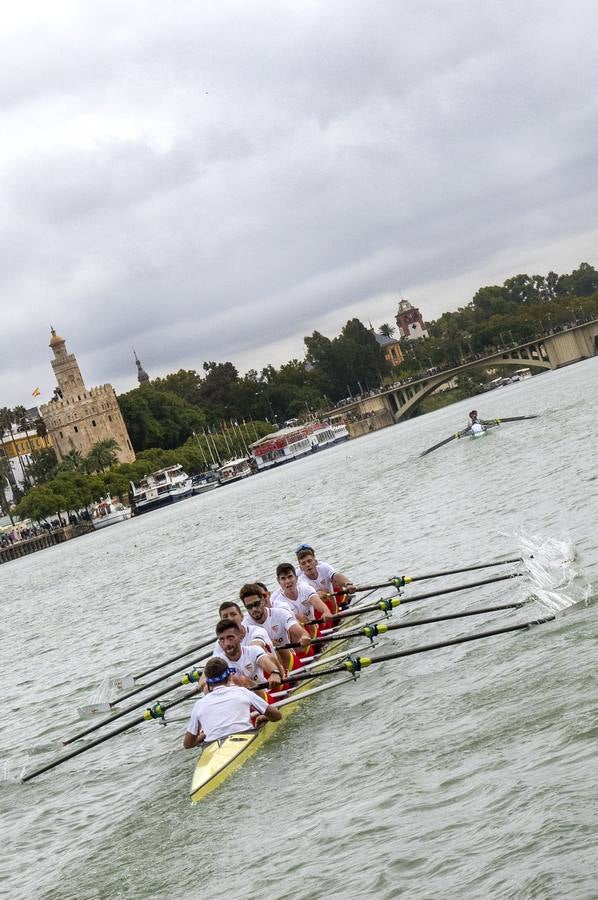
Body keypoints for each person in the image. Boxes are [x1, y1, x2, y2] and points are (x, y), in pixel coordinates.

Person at [182, 657, 282, 748]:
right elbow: (277, 716)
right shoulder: (242, 692)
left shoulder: (199, 704)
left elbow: (187, 744)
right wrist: (263, 718)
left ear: (207, 683)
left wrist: (203, 735)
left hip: (212, 746)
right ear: (230, 677)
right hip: (245, 738)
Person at [239, 582, 311, 670]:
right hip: (268, 667)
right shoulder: (245, 626)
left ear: (262, 600)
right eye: (249, 606)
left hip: (289, 657)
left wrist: (304, 635)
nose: (254, 609)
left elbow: (298, 630)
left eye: (256, 604)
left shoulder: (280, 613)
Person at [212, 619, 284, 691]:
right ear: (219, 643)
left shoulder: (253, 650)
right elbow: (204, 681)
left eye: (230, 638)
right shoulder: (218, 661)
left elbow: (265, 660)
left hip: (264, 694)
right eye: (222, 639)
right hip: (240, 698)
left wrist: (274, 672)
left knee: (243, 680)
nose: (226, 643)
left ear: (240, 637)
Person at [270, 562, 334, 623]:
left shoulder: (305, 588)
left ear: (296, 578)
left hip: (314, 627)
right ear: (278, 581)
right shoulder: (278, 602)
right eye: (283, 578)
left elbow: (315, 600)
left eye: (290, 576)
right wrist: (296, 616)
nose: (287, 581)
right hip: (296, 631)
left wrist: (326, 611)